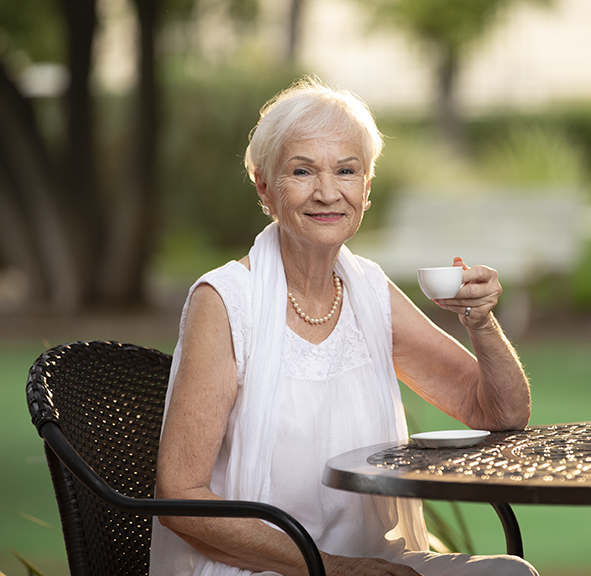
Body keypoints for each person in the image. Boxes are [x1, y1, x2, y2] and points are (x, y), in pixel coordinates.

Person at [150, 76, 537, 576]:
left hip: (375, 561)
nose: (328, 192)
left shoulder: (369, 291)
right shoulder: (225, 300)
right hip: (259, 566)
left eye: (347, 170)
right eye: (303, 171)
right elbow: (180, 496)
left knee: (510, 574)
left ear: (366, 189)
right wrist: (336, 569)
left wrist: (481, 323)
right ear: (265, 187)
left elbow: (501, 413)